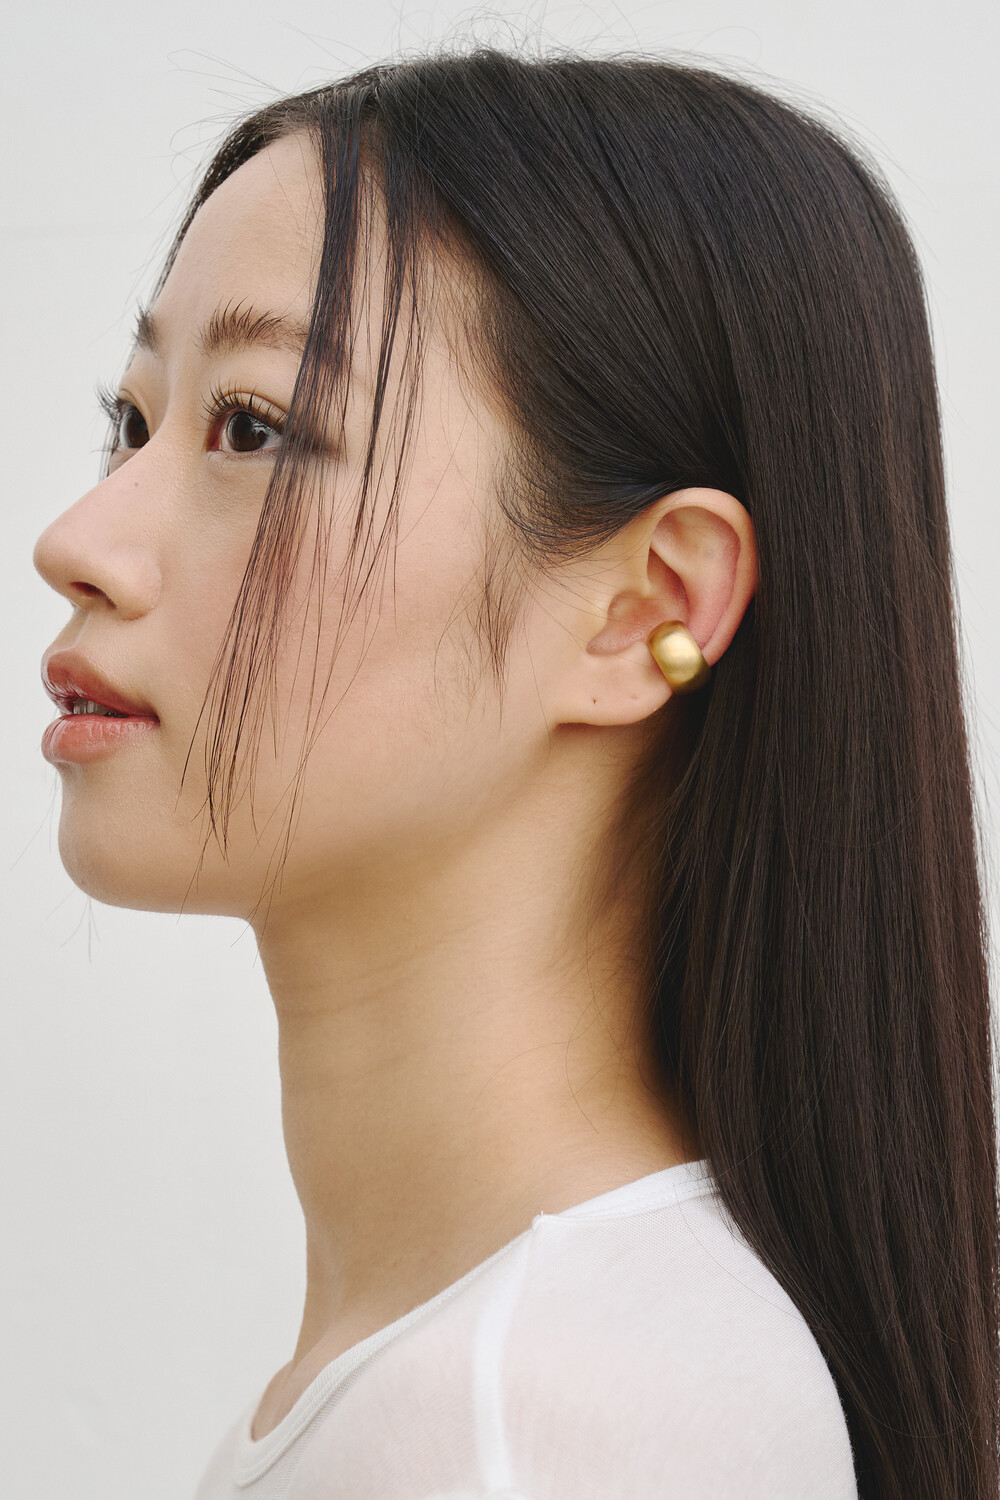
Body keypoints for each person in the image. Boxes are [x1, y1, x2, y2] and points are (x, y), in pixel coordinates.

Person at [32, 45, 998, 1500]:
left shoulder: (529, 1428)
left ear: (646, 609)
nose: (78, 539)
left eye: (255, 427)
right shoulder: (489, 1385)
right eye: (133, 421)